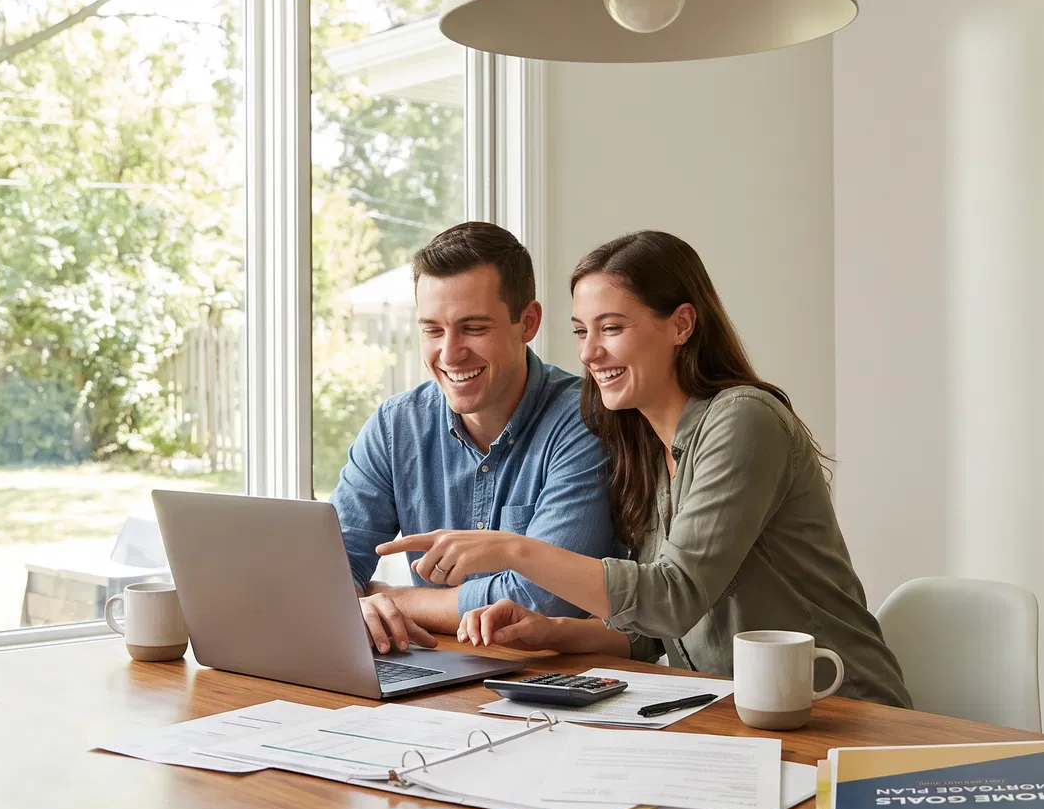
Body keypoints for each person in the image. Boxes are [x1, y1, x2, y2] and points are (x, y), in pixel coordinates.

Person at [378, 230, 911, 706]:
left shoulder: (743, 421)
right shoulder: (642, 442)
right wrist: (556, 631)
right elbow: (661, 634)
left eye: (611, 328)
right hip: (730, 709)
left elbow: (673, 598)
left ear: (681, 324)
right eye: (581, 331)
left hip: (840, 706)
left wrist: (511, 549)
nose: (589, 352)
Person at [332, 221, 619, 655]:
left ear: (528, 322)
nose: (449, 353)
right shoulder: (396, 425)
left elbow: (538, 599)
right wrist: (357, 601)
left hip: (557, 687)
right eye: (432, 330)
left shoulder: (586, 420)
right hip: (437, 677)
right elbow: (328, 574)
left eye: (473, 327)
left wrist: (390, 598)